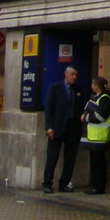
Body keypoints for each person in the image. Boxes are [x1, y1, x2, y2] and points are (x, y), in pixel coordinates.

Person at [42, 65, 83, 193]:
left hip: (73, 127)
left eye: (76, 75)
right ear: (66, 74)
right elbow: (49, 109)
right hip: (58, 126)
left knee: (70, 157)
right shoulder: (55, 88)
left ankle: (64, 183)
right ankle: (47, 183)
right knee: (52, 156)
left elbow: (80, 107)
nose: (74, 77)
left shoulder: (78, 90)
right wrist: (49, 126)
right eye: (72, 74)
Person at [82, 75, 110, 194]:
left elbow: (100, 116)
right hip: (94, 137)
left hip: (100, 137)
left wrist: (86, 117)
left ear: (96, 86)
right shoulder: (97, 97)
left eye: (92, 84)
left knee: (99, 163)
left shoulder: (105, 98)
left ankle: (98, 187)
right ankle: (94, 185)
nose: (91, 86)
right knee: (94, 162)